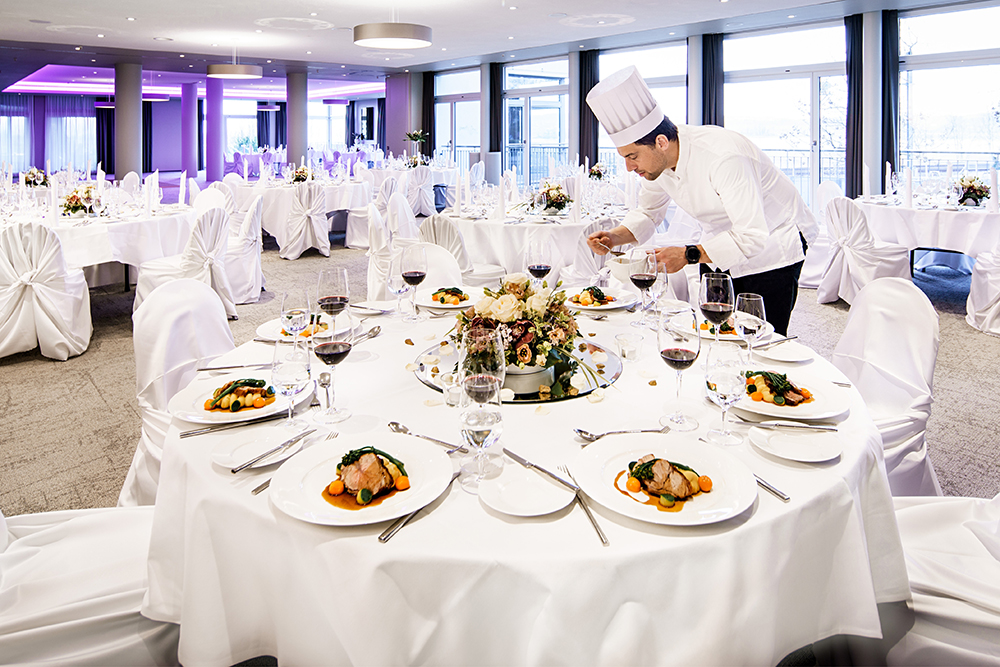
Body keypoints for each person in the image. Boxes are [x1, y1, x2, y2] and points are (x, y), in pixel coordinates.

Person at [585, 66, 818, 335]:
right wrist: (614, 237)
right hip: (717, 244)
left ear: (660, 142)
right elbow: (648, 213)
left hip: (773, 245)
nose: (628, 167)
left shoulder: (723, 157)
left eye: (633, 156)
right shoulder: (657, 166)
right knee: (714, 332)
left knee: (760, 339)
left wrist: (687, 254)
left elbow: (752, 235)